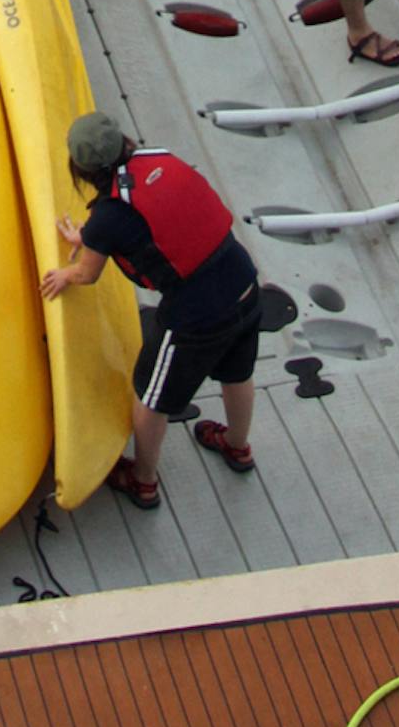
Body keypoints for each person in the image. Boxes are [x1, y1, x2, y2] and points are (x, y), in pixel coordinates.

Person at [42, 112, 261, 509]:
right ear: (125, 143)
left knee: (150, 396)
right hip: (243, 280)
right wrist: (91, 235)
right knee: (237, 373)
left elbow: (88, 274)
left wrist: (65, 274)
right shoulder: (159, 159)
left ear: (81, 169)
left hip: (197, 314)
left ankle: (143, 481)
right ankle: (237, 446)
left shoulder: (109, 216)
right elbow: (155, 215)